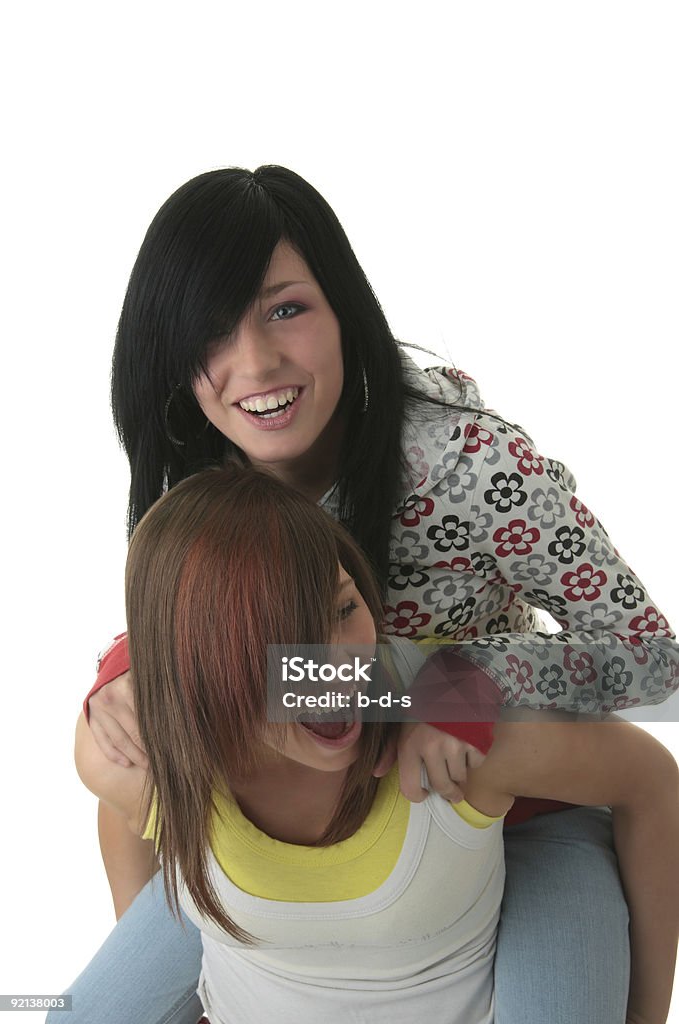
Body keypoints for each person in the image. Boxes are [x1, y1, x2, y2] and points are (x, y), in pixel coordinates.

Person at [63, 165, 679, 1024]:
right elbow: (190, 686)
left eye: (286, 309)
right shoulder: (197, 478)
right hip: (307, 823)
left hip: (517, 805)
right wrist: (128, 677)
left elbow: (650, 663)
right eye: (209, 331)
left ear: (344, 308)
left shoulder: (469, 465)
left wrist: (446, 684)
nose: (256, 364)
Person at [75, 464, 679, 1024]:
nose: (340, 671)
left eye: (343, 608)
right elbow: (125, 802)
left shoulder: (448, 726)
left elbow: (651, 772)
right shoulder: (135, 752)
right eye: (286, 643)